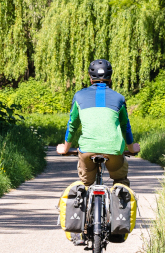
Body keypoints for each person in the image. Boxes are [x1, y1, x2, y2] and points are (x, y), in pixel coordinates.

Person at [56, 59, 140, 189]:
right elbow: (125, 127)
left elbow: (72, 125)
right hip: (113, 149)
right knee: (120, 180)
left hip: (87, 149)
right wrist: (132, 148)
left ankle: (83, 196)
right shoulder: (119, 98)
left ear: (90, 78)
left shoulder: (79, 96)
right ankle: (121, 200)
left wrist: (65, 149)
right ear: (110, 78)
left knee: (85, 184)